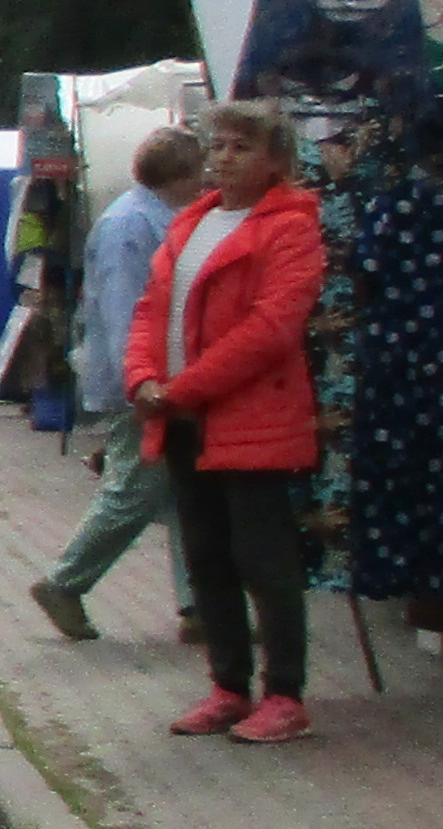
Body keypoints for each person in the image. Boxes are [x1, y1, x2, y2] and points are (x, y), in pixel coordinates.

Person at [123, 102, 329, 748]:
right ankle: (229, 686)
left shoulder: (290, 227)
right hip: (186, 418)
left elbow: (271, 330)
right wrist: (141, 379)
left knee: (265, 560)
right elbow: (153, 309)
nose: (224, 158)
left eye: (242, 146)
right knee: (207, 557)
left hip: (249, 418)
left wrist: (182, 386)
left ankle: (286, 694)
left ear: (276, 159)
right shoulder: (193, 223)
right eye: (218, 146)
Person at [29, 127, 206, 646]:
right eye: (199, 169)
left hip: (159, 374)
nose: (207, 178)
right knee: (135, 487)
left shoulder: (152, 217)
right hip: (143, 378)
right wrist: (144, 381)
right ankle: (64, 581)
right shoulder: (131, 226)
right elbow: (127, 312)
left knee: (178, 492)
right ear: (179, 174)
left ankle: (199, 603)